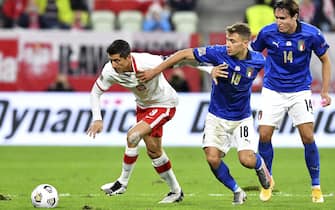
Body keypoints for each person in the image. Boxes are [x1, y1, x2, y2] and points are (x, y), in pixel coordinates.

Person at [137, 22, 271, 205]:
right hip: (216, 116)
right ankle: (237, 191)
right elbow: (184, 54)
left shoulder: (258, 61)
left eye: (232, 41)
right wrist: (155, 71)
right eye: (227, 40)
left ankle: (260, 166)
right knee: (212, 158)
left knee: (246, 160)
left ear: (245, 43)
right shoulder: (218, 53)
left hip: (242, 119)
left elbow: (272, 80)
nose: (228, 44)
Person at [250, 0, 332, 203]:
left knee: (307, 136)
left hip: (300, 92)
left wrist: (324, 91)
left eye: (283, 18)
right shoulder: (267, 33)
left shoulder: (312, 34)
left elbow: (325, 60)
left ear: (295, 17)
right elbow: (252, 55)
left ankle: (316, 186)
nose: (279, 22)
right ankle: (267, 183)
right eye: (277, 18)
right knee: (264, 135)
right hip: (272, 91)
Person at [86, 39, 184, 204]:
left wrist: (209, 69)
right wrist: (97, 118)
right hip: (143, 107)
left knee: (132, 136)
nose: (114, 64)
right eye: (111, 60)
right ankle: (176, 192)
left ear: (128, 57)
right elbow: (95, 92)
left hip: (165, 104)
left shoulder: (148, 61)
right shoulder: (110, 71)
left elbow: (180, 59)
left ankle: (122, 183)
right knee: (154, 151)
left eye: (117, 60)